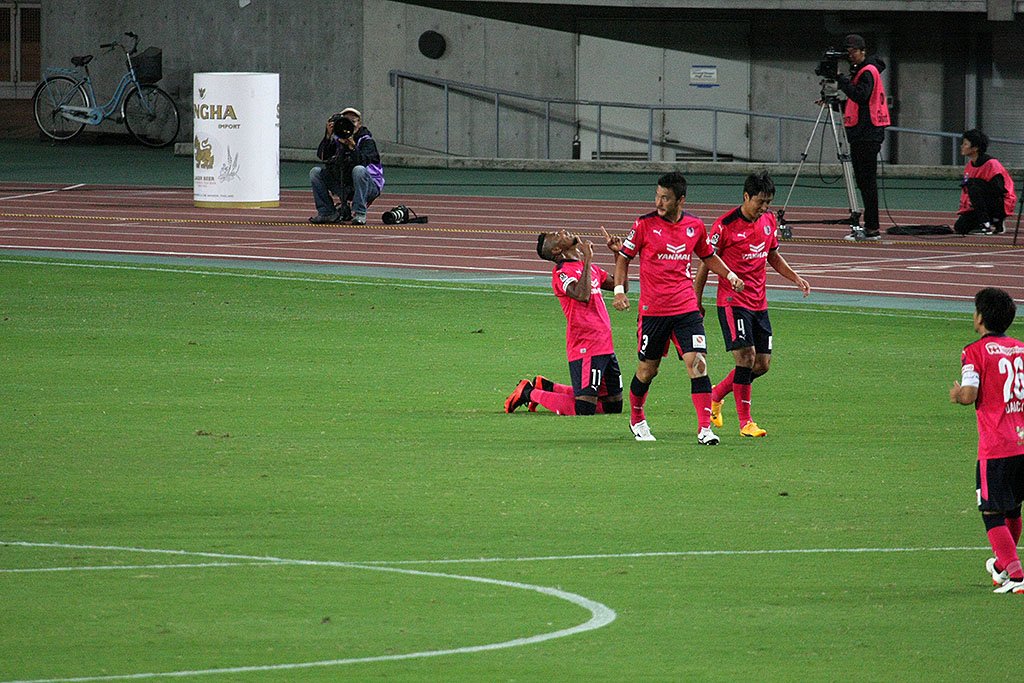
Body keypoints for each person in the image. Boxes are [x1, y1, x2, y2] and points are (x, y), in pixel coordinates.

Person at [610, 172, 745, 445]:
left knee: (698, 364)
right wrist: (619, 291)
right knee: (647, 371)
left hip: (686, 309)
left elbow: (708, 255)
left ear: (680, 200)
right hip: (653, 311)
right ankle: (637, 418)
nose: (659, 202)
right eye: (657, 196)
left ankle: (705, 429)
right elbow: (624, 258)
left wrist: (730, 275)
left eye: (665, 198)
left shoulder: (695, 226)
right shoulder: (644, 224)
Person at [694, 172, 811, 438]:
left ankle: (716, 394)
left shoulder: (768, 221)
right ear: (746, 197)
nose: (764, 207)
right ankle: (745, 423)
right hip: (732, 302)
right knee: (746, 357)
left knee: (762, 364)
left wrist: (795, 277)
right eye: (760, 201)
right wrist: (696, 300)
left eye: (768, 202)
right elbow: (705, 263)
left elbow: (773, 255)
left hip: (759, 303)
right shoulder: (724, 226)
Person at [950, 287, 1024, 594]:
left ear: (980, 317)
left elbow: (969, 394)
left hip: (996, 446)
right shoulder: (1021, 349)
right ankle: (1002, 566)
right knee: (1013, 509)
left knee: (992, 512)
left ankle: (1017, 575)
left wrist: (958, 395)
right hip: (1022, 442)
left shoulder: (974, 351)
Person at [505, 228, 624, 417]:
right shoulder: (561, 273)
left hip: (605, 343)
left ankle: (548, 387)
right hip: (586, 345)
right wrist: (588, 259)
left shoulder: (589, 268)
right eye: (556, 235)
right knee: (584, 409)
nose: (562, 231)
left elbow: (621, 286)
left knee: (613, 407)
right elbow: (582, 295)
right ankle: (528, 392)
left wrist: (618, 254)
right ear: (556, 250)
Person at [837, 33, 890, 242]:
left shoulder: (867, 71)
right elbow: (856, 103)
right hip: (863, 132)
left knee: (867, 181)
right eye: (848, 52)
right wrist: (836, 103)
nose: (850, 55)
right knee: (864, 181)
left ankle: (872, 227)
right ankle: (870, 226)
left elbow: (860, 96)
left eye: (853, 51)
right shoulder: (863, 71)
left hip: (867, 133)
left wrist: (842, 80)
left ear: (863, 51)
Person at [309, 107, 385, 225]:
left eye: (353, 122)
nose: (350, 125)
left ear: (359, 124)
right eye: (346, 121)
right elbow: (322, 156)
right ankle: (327, 213)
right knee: (315, 172)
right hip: (345, 184)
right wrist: (328, 136)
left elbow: (362, 162)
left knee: (359, 170)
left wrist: (353, 147)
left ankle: (360, 213)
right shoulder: (338, 140)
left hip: (369, 186)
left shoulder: (366, 141)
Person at [955, 129, 1018, 236]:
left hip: (999, 203)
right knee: (960, 227)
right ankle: (985, 220)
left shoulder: (992, 164)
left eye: (965, 144)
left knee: (974, 185)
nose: (962, 146)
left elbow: (1000, 190)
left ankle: (991, 222)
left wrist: (977, 187)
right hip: (979, 204)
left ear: (975, 148)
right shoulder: (969, 166)